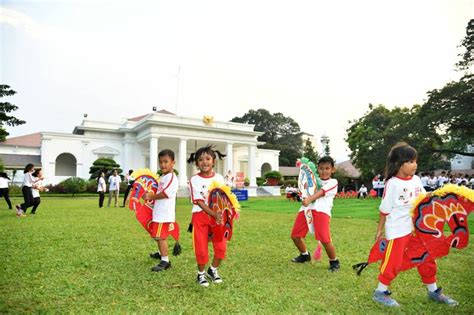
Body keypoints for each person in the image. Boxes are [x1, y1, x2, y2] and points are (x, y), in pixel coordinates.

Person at [372, 142, 458, 307]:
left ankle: (433, 291)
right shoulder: (392, 183)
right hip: (398, 229)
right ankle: (380, 292)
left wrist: (438, 195)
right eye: (410, 161)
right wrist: (379, 231)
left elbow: (423, 199)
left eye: (415, 161)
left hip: (418, 229)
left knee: (426, 257)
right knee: (394, 261)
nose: (415, 164)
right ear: (398, 164)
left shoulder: (417, 179)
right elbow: (384, 210)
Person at [290, 156, 340, 272]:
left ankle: (334, 261)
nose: (324, 171)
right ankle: (304, 255)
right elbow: (304, 189)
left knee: (324, 239)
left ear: (332, 170)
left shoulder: (333, 182)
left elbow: (322, 192)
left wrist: (309, 199)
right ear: (317, 169)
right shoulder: (311, 180)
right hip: (305, 209)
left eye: (327, 168)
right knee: (295, 236)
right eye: (321, 168)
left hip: (321, 211)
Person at [188, 144, 227, 287]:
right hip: (200, 216)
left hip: (217, 217)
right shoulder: (194, 180)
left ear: (213, 161)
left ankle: (213, 270)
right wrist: (213, 213)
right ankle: (201, 274)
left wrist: (224, 214)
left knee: (221, 247)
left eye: (208, 158)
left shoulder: (220, 178)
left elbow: (225, 197)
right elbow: (198, 201)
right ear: (197, 163)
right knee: (201, 247)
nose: (204, 162)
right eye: (200, 159)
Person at [145, 150, 179, 272]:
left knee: (160, 237)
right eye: (161, 162)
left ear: (173, 163)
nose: (163, 165)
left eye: (166, 162)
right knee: (157, 235)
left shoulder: (171, 177)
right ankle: (160, 253)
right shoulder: (164, 177)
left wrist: (151, 197)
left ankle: (165, 260)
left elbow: (166, 193)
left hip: (164, 214)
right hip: (159, 212)